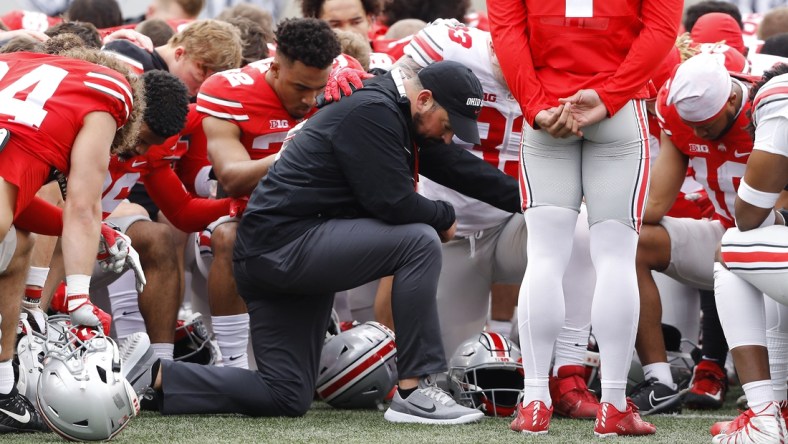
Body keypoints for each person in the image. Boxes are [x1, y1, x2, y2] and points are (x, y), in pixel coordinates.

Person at [147, 59, 498, 424]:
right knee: (419, 240)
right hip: (286, 244)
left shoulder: (382, 105)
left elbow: (453, 170)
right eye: (448, 126)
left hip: (280, 249)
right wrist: (443, 215)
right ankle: (414, 391)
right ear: (423, 100)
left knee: (284, 394)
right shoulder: (373, 108)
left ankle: (155, 376)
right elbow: (392, 202)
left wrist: (529, 201)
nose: (447, 138)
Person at [488, 0, 682, 436]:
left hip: (549, 107)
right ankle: (612, 403)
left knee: (545, 258)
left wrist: (536, 105)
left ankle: (535, 399)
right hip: (615, 110)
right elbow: (661, 30)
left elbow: (506, 33)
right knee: (615, 259)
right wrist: (612, 94)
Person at [0, 47, 141, 433]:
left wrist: (104, 234)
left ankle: (3, 393)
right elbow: (83, 206)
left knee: (16, 243)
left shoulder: (16, 63)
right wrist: (79, 296)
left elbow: (16, 206)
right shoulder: (108, 93)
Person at [709, 63, 788, 443]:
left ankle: (762, 416)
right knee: (770, 243)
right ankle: (781, 405)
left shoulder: (780, 94)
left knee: (731, 250)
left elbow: (748, 216)